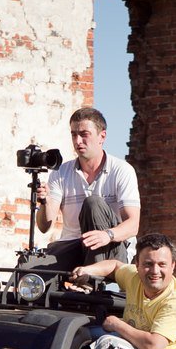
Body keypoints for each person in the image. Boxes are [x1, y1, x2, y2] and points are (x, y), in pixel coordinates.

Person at [31, 107, 140, 271]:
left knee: (93, 203)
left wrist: (107, 235)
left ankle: (90, 279)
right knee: (29, 270)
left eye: (84, 134)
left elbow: (133, 225)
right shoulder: (61, 172)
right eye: (74, 134)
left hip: (112, 246)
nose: (77, 141)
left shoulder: (122, 170)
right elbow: (44, 227)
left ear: (102, 136)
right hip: (74, 245)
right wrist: (44, 202)